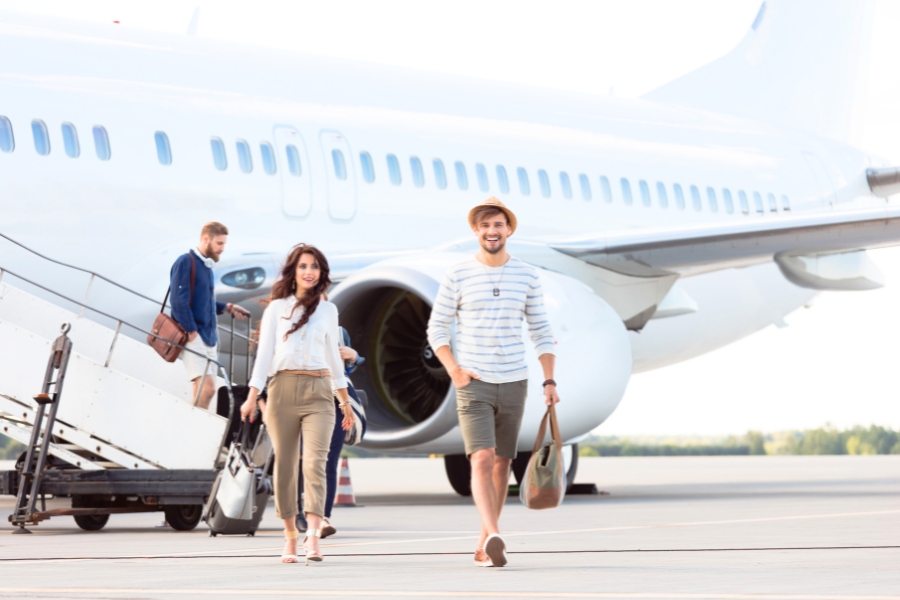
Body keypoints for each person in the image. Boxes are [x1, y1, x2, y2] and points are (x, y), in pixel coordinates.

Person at [426, 198, 560, 568]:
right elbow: (436, 328)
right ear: (475, 230)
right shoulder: (458, 274)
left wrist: (549, 380)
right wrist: (454, 369)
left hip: (515, 380)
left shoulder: (527, 275)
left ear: (509, 229)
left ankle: (487, 539)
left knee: (503, 463)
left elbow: (542, 331)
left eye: (498, 224)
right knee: (481, 458)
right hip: (474, 382)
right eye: (485, 225)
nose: (492, 231)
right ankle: (495, 533)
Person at [240, 244, 355, 565]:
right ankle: (290, 538)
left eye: (315, 267)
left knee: (315, 463)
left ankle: (313, 537)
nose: (309, 272)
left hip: (320, 390)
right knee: (287, 466)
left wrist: (343, 399)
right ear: (294, 271)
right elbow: (264, 357)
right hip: (282, 390)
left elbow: (333, 356)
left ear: (321, 274)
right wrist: (252, 395)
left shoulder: (329, 311)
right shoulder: (277, 308)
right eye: (304, 266)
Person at [170, 222, 249, 410]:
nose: (222, 249)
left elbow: (202, 302)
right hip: (195, 335)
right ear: (206, 239)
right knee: (208, 390)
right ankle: (192, 430)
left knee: (201, 390)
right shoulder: (186, 262)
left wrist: (227, 307)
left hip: (209, 337)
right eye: (219, 244)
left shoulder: (206, 266)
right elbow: (179, 301)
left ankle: (193, 434)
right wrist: (191, 331)